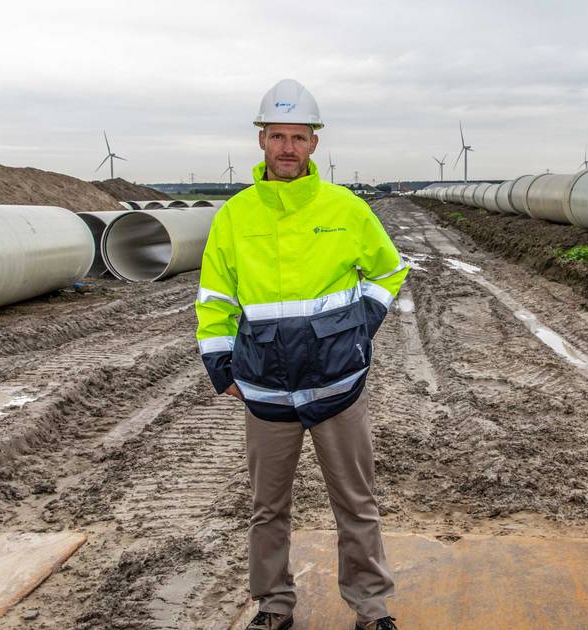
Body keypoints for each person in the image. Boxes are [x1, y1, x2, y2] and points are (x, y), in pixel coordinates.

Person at [195, 78, 406, 630]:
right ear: (261, 142)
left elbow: (389, 272)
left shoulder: (346, 208)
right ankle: (274, 605)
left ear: (315, 143)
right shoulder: (234, 217)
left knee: (356, 505)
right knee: (267, 510)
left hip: (338, 384)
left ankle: (372, 609)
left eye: (298, 137)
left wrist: (362, 325)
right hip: (265, 387)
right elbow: (215, 297)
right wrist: (220, 366)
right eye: (276, 136)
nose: (287, 147)